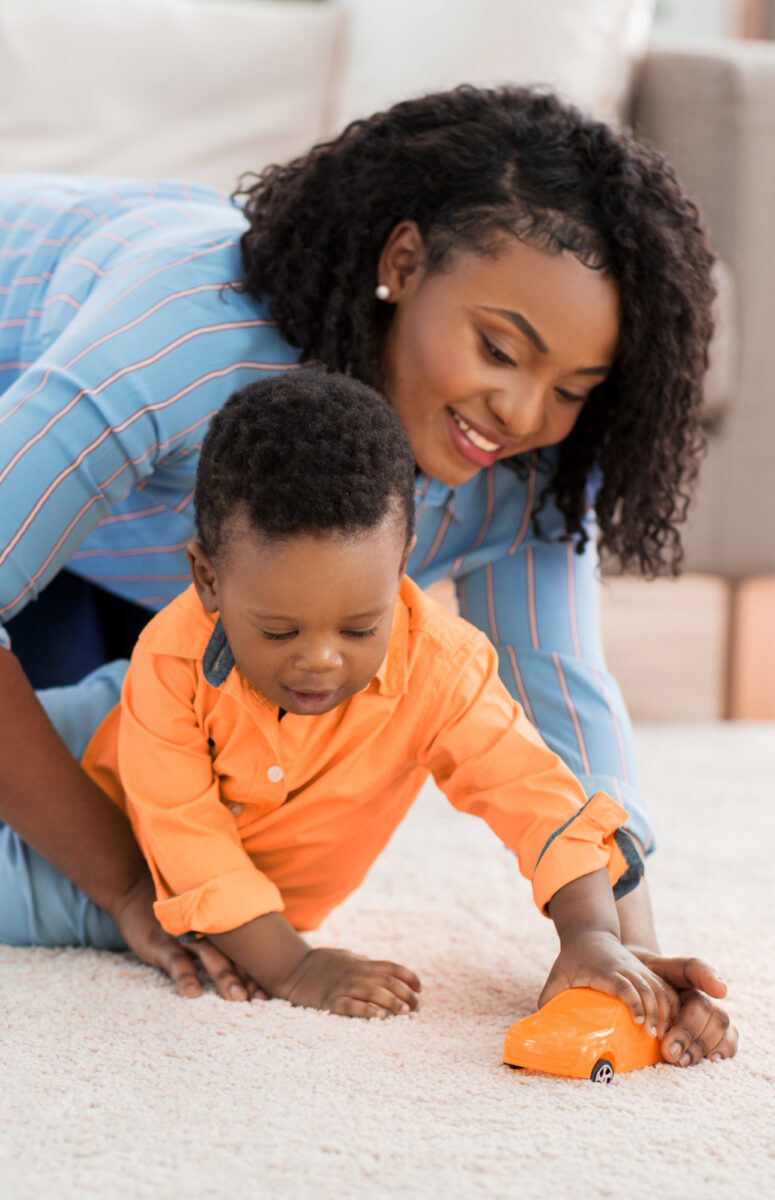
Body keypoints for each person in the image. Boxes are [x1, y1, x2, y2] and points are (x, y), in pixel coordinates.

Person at [0, 86, 736, 1060]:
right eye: (498, 348)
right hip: (40, 438)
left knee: (184, 712)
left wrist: (622, 953)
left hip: (136, 559)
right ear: (402, 264)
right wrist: (133, 888)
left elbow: (554, 705)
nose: (520, 411)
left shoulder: (524, 472)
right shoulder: (190, 336)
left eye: (571, 389)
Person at [0, 371, 723, 1037]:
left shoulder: (443, 666)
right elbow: (189, 845)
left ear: (401, 563)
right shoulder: (172, 656)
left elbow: (537, 797)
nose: (321, 659)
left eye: (359, 627)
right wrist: (294, 967)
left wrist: (592, 935)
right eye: (279, 630)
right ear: (207, 580)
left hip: (107, 821)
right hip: (104, 775)